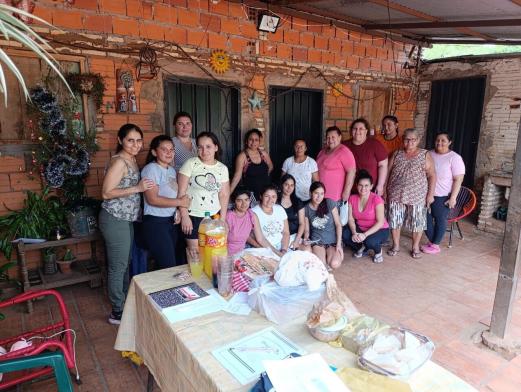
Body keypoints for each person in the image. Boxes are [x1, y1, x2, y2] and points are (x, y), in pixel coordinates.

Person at [99, 123, 155, 325]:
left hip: (125, 219)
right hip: (115, 219)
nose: (135, 144)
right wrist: (137, 188)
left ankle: (122, 302)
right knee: (118, 265)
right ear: (120, 140)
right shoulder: (119, 162)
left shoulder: (130, 159)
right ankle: (117, 311)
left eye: (139, 140)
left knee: (125, 262)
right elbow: (106, 193)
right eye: (130, 140)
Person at [141, 135, 190, 269]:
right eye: (164, 149)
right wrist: (179, 202)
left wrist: (178, 210)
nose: (169, 153)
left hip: (170, 222)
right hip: (156, 223)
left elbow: (173, 196)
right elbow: (153, 199)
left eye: (172, 149)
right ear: (154, 152)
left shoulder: (171, 171)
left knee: (171, 263)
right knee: (168, 266)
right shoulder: (151, 169)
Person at [386, 128, 436, 259]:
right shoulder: (396, 154)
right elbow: (387, 173)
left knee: (417, 222)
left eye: (413, 139)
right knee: (395, 220)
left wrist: (430, 195)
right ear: (403, 140)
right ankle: (396, 245)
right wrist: (384, 191)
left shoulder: (425, 155)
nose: (410, 142)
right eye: (407, 139)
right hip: (396, 193)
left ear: (418, 140)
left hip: (418, 195)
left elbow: (432, 175)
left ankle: (415, 247)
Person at [177, 132, 230, 253]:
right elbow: (181, 192)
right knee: (195, 252)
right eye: (200, 147)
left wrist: (222, 219)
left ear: (216, 147)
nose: (204, 151)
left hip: (214, 216)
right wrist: (184, 216)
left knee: (213, 251)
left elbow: (224, 194)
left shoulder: (222, 168)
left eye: (208, 146)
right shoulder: (191, 164)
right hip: (193, 215)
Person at [422, 132, 465, 254]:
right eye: (437, 140)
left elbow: (458, 179)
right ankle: (432, 241)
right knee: (424, 219)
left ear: (449, 142)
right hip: (426, 193)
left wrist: (453, 197)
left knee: (440, 219)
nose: (439, 143)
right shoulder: (428, 154)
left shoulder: (454, 158)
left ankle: (435, 245)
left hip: (443, 195)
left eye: (443, 140)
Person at [343, 170, 389, 263]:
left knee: (370, 241)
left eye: (366, 185)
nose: (363, 188)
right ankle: (362, 247)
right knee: (346, 235)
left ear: (371, 186)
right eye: (360, 185)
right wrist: (354, 232)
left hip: (380, 229)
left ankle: (378, 251)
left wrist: (365, 235)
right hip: (361, 228)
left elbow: (380, 222)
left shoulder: (377, 199)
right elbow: (351, 218)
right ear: (356, 185)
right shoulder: (352, 198)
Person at [303, 181, 344, 269]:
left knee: (334, 264)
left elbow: (338, 224)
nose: (319, 197)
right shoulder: (306, 208)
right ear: (310, 193)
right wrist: (306, 239)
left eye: (321, 194)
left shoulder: (329, 203)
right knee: (321, 265)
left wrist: (339, 244)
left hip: (332, 242)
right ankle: (323, 259)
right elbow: (306, 230)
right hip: (318, 242)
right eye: (316, 193)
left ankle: (330, 257)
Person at [344, 118, 388, 196]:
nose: (357, 131)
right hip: (350, 190)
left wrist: (380, 186)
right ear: (351, 131)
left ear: (366, 131)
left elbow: (383, 165)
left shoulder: (375, 144)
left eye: (361, 129)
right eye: (355, 129)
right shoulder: (344, 146)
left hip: (370, 189)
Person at [226, 187, 272, 256]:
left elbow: (261, 239)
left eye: (246, 200)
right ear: (234, 202)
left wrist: (272, 252)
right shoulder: (228, 217)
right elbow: (221, 242)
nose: (244, 204)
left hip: (242, 253)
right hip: (227, 254)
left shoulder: (251, 215)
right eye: (239, 200)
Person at [316, 126, 356, 203]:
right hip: (319, 196)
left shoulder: (344, 151)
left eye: (333, 137)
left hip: (334, 197)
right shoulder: (322, 151)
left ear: (339, 137)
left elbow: (351, 172)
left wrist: (346, 191)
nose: (330, 140)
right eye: (328, 137)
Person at [230, 129, 273, 199]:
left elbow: (271, 166)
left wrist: (263, 176)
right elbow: (237, 176)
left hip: (266, 193)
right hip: (250, 195)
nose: (253, 142)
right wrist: (228, 194)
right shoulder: (242, 156)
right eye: (251, 139)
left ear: (259, 142)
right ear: (247, 141)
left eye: (256, 140)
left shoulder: (263, 154)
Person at [252, 184, 290, 256]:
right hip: (264, 248)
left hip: (282, 246)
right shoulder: (254, 213)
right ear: (261, 196)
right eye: (267, 196)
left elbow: (286, 232)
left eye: (273, 197)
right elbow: (261, 239)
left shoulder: (280, 209)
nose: (270, 200)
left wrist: (284, 250)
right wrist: (277, 252)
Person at [278, 174, 305, 250]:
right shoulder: (276, 201)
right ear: (282, 185)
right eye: (286, 184)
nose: (289, 188)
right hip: (280, 236)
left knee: (306, 250)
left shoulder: (298, 202)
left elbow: (302, 223)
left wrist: (296, 241)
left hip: (295, 235)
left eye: (292, 185)